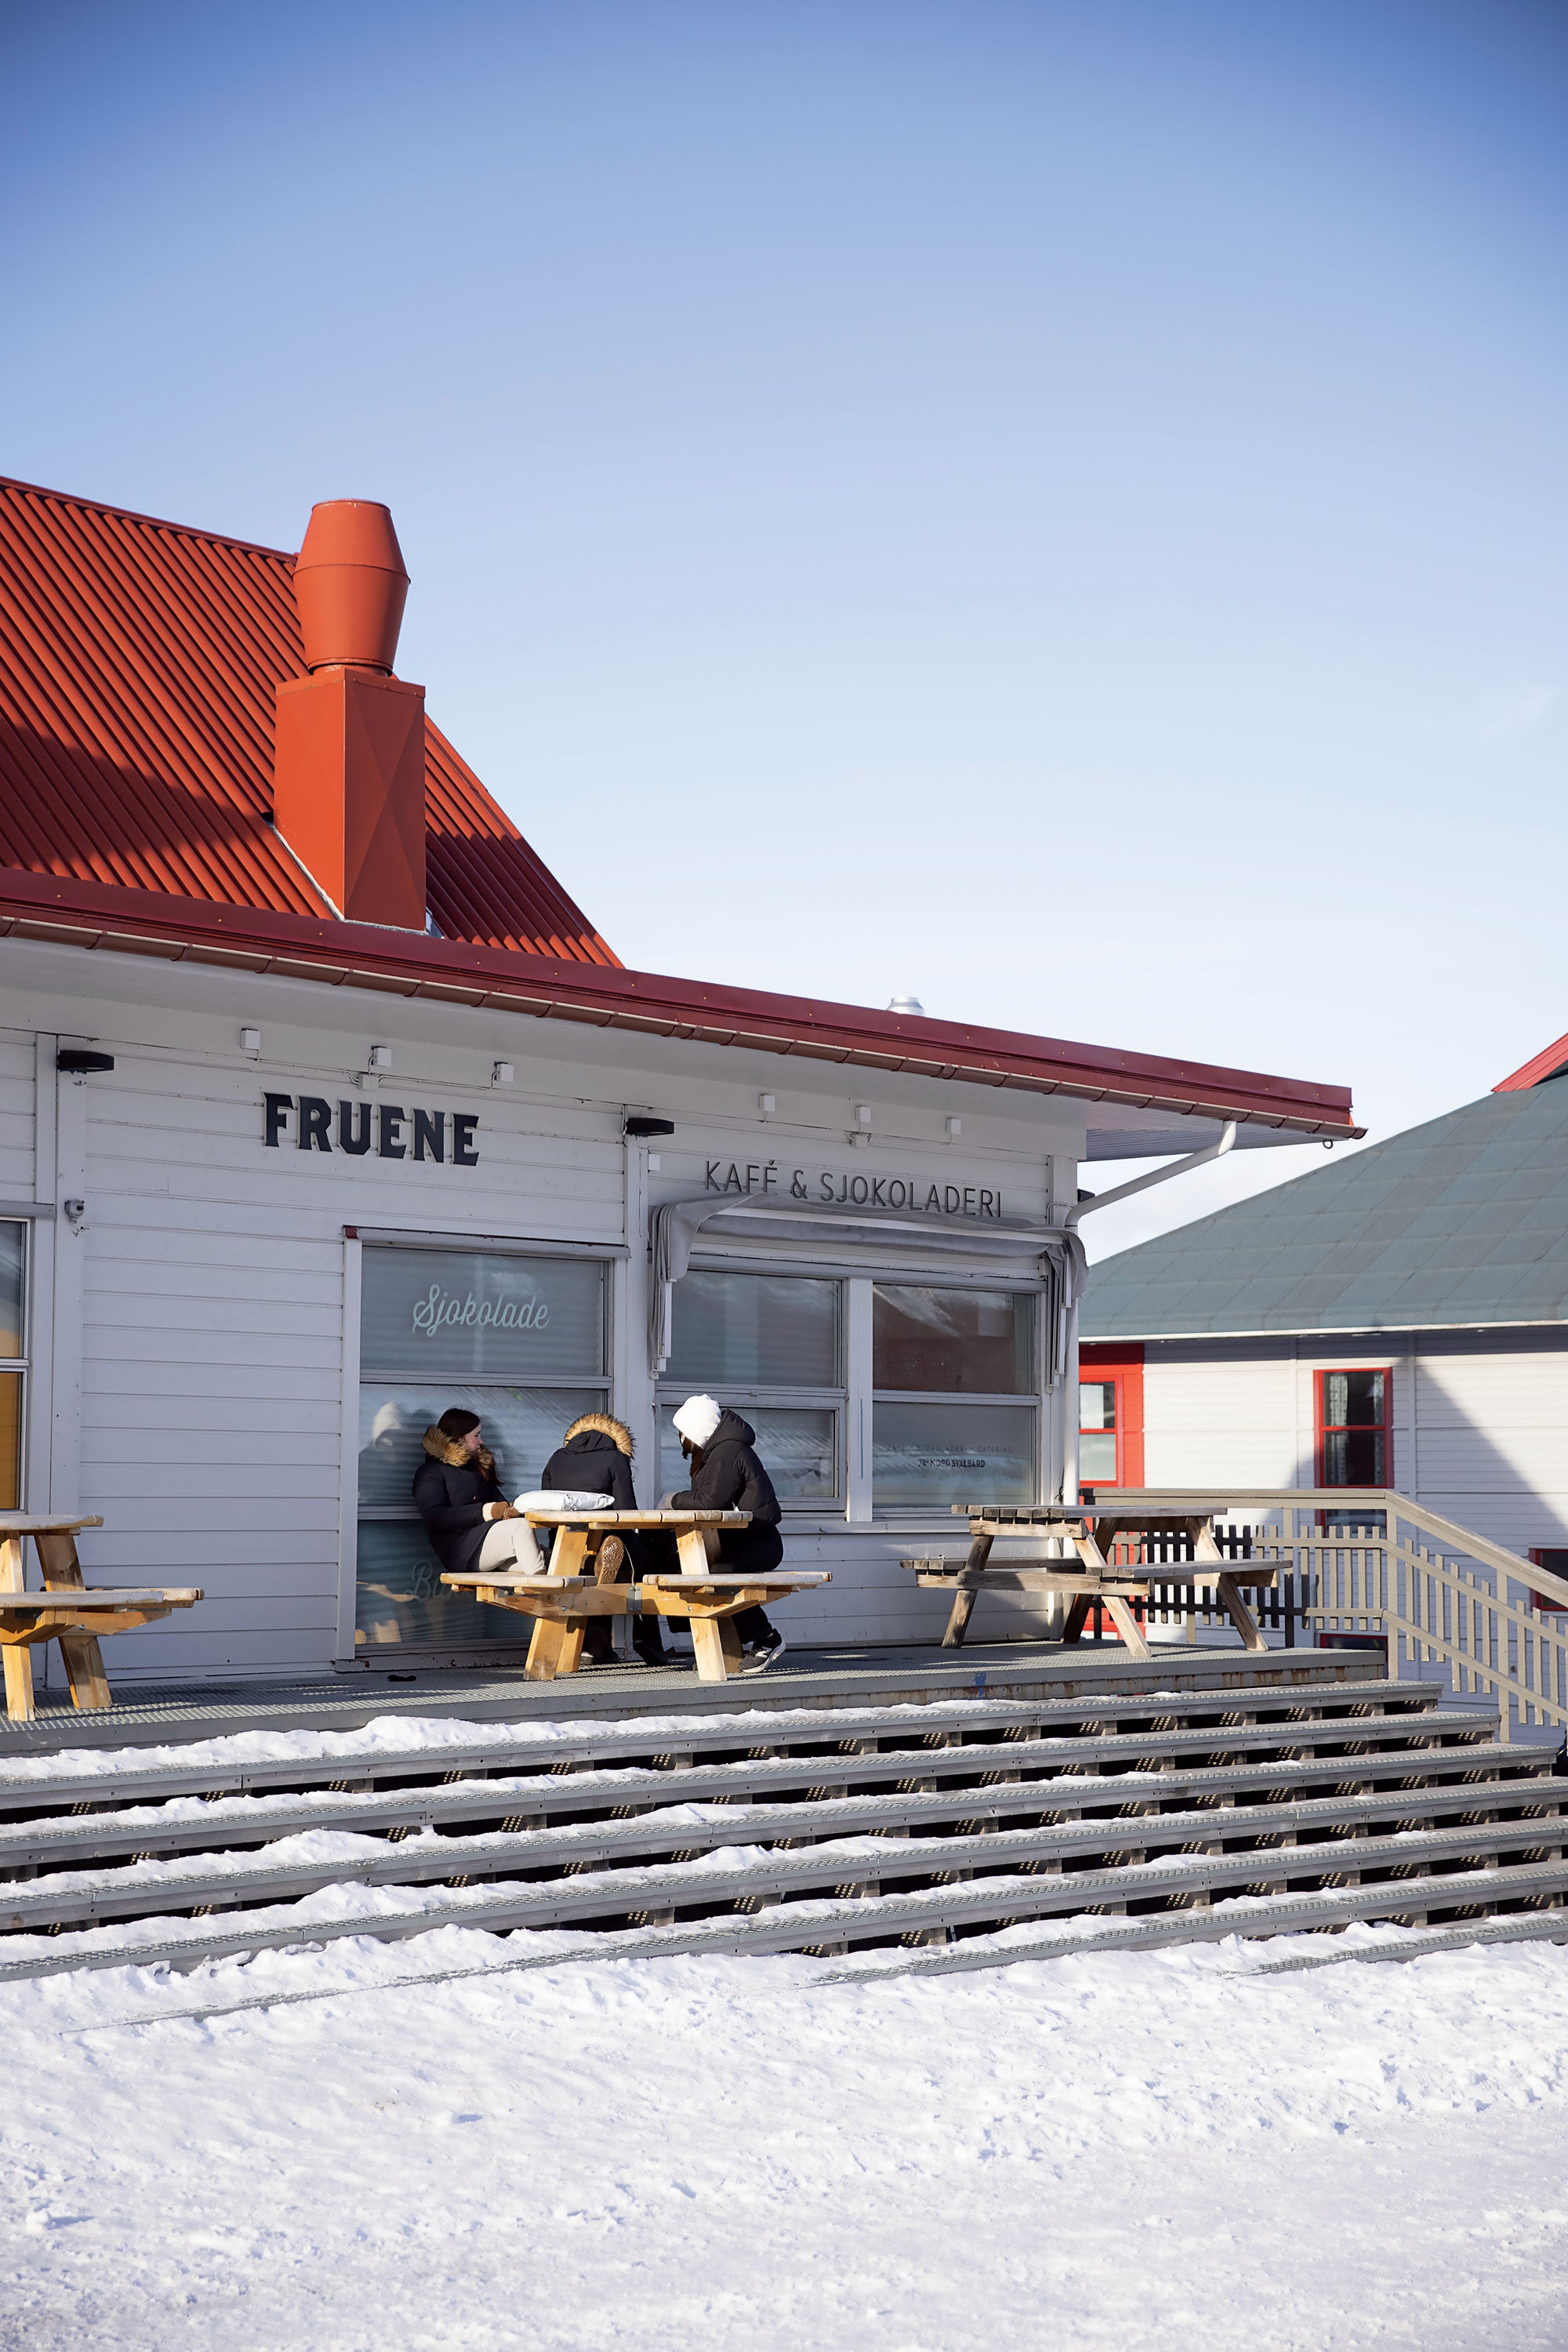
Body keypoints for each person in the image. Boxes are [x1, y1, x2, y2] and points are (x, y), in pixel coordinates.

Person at [414, 1406, 626, 1667]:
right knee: (522, 1534)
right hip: (462, 1551)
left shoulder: (476, 1467)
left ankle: (589, 1643)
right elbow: (436, 1517)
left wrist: (515, 1509)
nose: (481, 1441)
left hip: (491, 1547)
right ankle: (547, 1591)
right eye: (476, 1435)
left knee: (560, 1561)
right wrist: (487, 1511)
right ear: (457, 1438)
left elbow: (500, 1506)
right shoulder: (430, 1473)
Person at [669, 1393, 787, 1674]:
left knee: (719, 1574)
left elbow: (709, 1502)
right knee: (682, 1566)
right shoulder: (718, 1452)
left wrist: (672, 1500)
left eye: (683, 1431)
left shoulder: (728, 1451)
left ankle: (767, 1639)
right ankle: (721, 1645)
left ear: (697, 1428)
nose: (681, 1438)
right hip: (741, 1540)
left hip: (759, 1541)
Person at [538, 1412, 667, 1668]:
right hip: (610, 1535)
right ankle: (647, 1640)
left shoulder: (556, 1458)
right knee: (643, 1570)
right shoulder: (616, 1458)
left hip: (567, 1545)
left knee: (594, 1573)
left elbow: (548, 1504)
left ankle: (595, 1647)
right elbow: (627, 1512)